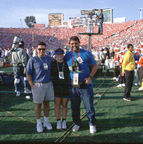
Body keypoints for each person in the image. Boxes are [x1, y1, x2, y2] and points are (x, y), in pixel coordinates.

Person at [64, 36, 98, 134]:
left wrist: (90, 77)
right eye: (72, 43)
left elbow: (95, 66)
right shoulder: (67, 55)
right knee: (74, 106)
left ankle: (92, 123)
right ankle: (76, 123)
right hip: (73, 85)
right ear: (69, 44)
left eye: (76, 43)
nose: (74, 45)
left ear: (79, 43)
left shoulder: (86, 53)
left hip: (85, 84)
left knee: (89, 106)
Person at [26, 42, 54, 132]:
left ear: (46, 50)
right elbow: (28, 73)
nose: (41, 51)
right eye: (40, 49)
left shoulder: (49, 59)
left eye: (43, 49)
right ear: (36, 50)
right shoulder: (33, 60)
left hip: (48, 84)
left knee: (47, 103)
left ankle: (46, 121)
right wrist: (31, 84)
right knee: (38, 104)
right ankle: (38, 123)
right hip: (38, 84)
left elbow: (55, 60)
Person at [51, 48, 70, 130]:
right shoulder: (53, 64)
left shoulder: (66, 64)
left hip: (65, 86)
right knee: (57, 105)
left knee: (65, 105)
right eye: (57, 54)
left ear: (63, 54)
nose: (59, 56)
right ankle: (58, 120)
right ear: (55, 55)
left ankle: (64, 120)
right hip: (56, 87)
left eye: (61, 54)